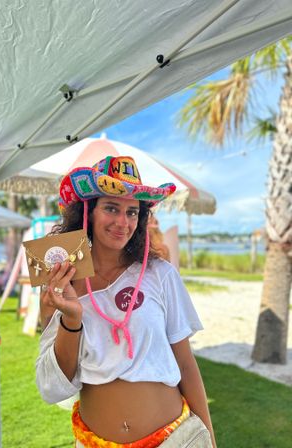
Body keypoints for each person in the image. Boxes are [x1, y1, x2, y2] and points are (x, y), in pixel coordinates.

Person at [36, 155, 216, 447]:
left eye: (133, 212)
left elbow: (185, 363)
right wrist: (71, 317)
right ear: (89, 212)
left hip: (176, 438)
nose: (123, 222)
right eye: (111, 208)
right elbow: (55, 384)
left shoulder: (160, 274)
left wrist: (208, 437)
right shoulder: (62, 281)